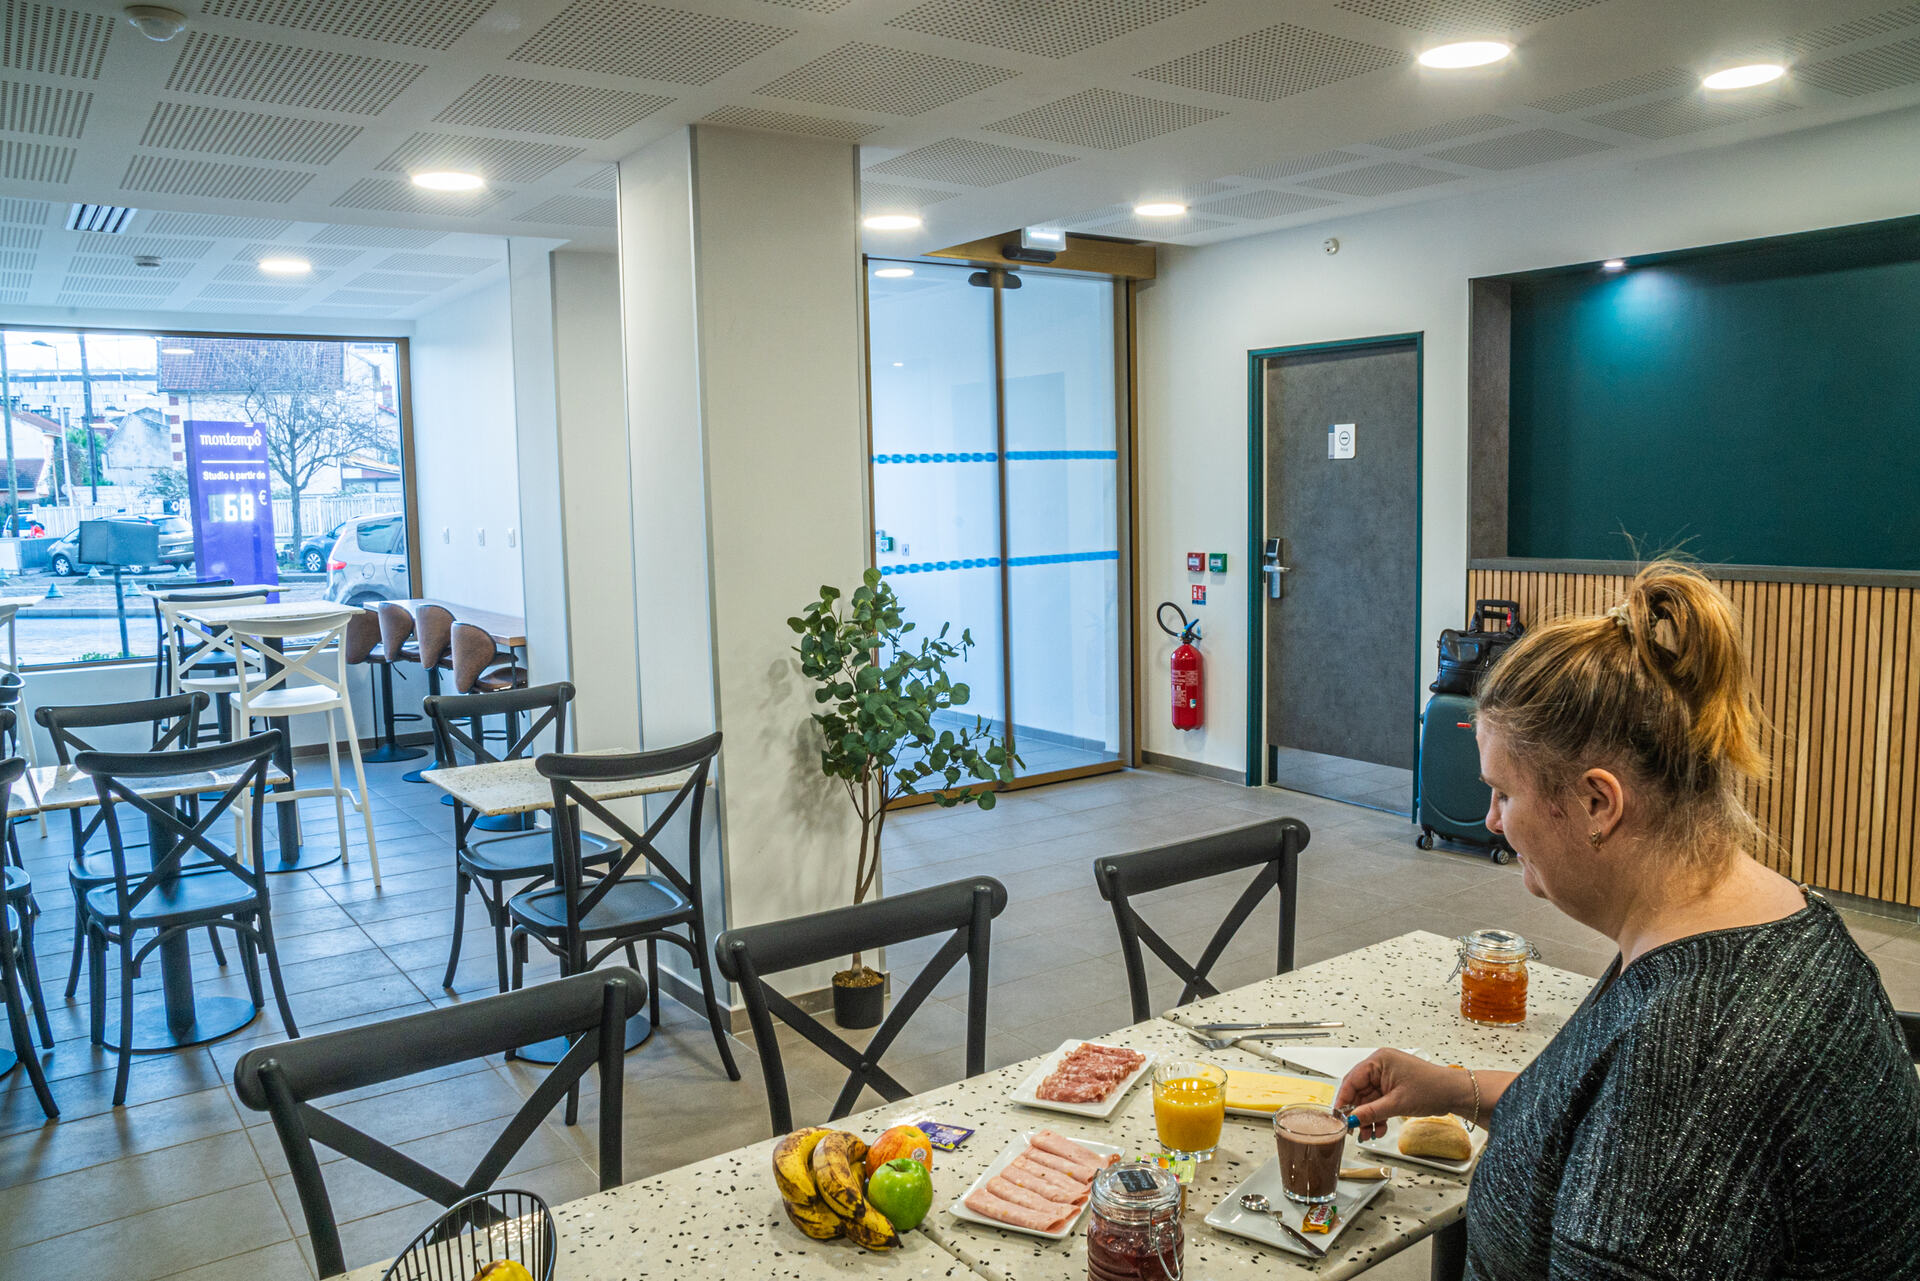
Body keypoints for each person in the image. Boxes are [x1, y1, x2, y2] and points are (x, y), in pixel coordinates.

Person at [1336, 561, 1920, 1279]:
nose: (1491, 821)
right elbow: (1593, 1117)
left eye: (1502, 793)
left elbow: (1657, 1132)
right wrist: (1454, 1087)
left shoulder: (1693, 1056)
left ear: (1596, 804)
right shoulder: (1772, 920)